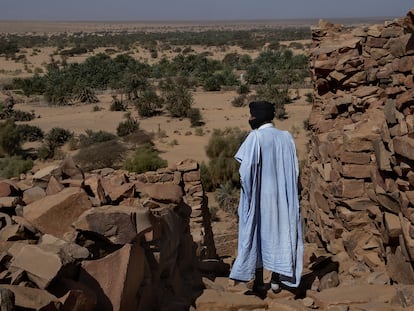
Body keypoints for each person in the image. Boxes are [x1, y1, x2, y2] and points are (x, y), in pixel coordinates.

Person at [229, 100, 303, 293]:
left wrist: (248, 194)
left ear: (257, 117)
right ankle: (277, 280)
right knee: (280, 234)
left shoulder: (255, 137)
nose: (250, 119)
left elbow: (245, 171)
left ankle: (259, 280)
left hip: (261, 197)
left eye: (251, 115)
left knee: (256, 234)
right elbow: (295, 169)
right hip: (282, 198)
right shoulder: (286, 137)